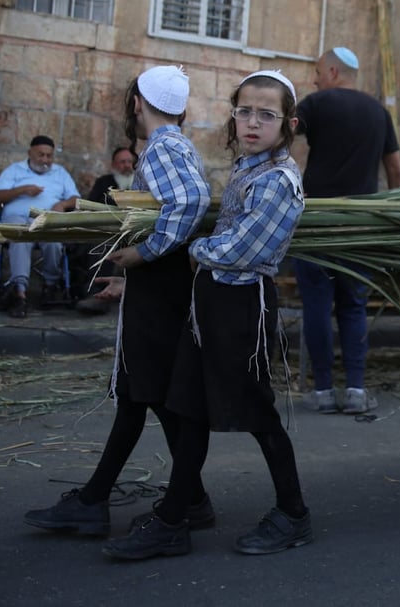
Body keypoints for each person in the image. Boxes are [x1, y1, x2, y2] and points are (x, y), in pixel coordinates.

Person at [103, 70, 310, 561]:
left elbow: (242, 248)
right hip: (209, 304)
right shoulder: (246, 169)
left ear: (289, 123)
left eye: (266, 114)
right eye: (244, 111)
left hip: (243, 308)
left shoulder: (281, 180)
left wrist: (193, 247)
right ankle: (175, 519)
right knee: (187, 408)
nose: (252, 122)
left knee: (259, 415)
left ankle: (294, 512)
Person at [24, 65, 214, 536]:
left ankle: (107, 501)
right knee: (142, 393)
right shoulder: (176, 145)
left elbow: (192, 202)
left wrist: (145, 252)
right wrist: (132, 277)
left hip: (160, 291)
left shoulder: (162, 148)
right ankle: (180, 498)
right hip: (158, 288)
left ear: (136, 103)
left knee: (144, 392)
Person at [292, 46, 400, 415]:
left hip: (317, 222)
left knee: (318, 307)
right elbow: (396, 171)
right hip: (359, 224)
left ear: (334, 72)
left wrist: (289, 181)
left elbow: (282, 137)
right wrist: (391, 210)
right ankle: (355, 389)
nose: (314, 78)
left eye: (318, 71)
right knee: (354, 306)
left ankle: (323, 390)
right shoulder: (379, 112)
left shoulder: (316, 103)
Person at [0, 135, 81, 318]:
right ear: (29, 153)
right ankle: (20, 293)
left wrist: (63, 205)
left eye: (49, 156)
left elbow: (76, 199)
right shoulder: (15, 171)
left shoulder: (60, 173)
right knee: (21, 236)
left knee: (55, 242)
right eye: (41, 155)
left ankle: (50, 285)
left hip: (47, 219)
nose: (45, 160)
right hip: (17, 218)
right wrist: (22, 190)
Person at [77, 146, 138, 314]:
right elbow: (91, 208)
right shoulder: (104, 182)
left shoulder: (141, 183)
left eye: (130, 162)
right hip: (109, 231)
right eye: (122, 162)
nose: (127, 165)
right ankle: (97, 295)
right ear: (113, 164)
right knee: (100, 244)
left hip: (137, 232)